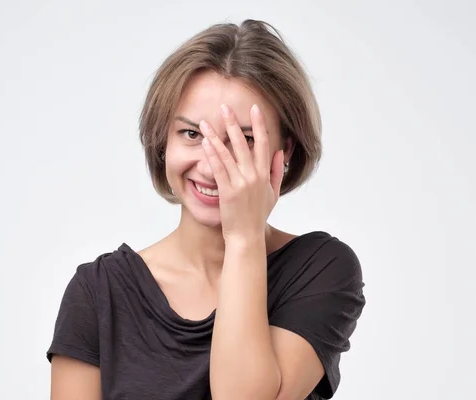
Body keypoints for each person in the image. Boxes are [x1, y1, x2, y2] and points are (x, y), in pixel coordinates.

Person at [47, 19, 366, 400]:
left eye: (244, 139)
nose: (214, 163)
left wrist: (244, 237)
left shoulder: (322, 269)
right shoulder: (98, 293)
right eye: (192, 134)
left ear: (286, 152)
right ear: (162, 140)